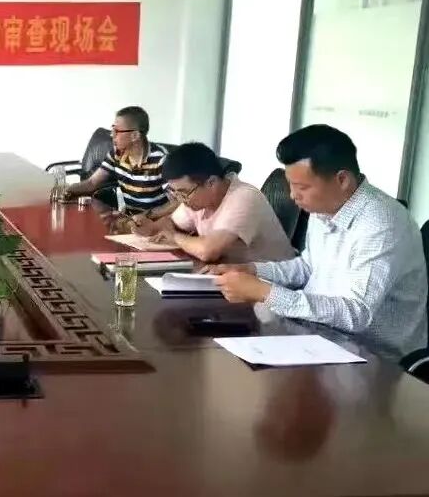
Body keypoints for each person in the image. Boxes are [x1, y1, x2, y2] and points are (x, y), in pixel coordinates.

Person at [208, 125, 428, 358]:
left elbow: (357, 313)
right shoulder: (324, 207)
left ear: (342, 180)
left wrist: (266, 292)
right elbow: (308, 268)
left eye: (302, 187)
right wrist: (252, 270)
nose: (293, 196)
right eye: (291, 185)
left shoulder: (382, 223)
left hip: (373, 359)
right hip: (317, 338)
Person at [133, 142, 295, 263]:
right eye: (174, 192)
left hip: (271, 283)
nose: (180, 199)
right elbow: (171, 223)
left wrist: (174, 236)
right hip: (233, 275)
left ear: (211, 182)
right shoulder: (196, 198)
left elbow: (207, 251)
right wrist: (151, 227)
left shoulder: (244, 197)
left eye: (183, 193)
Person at [63, 106, 177, 228]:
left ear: (135, 135)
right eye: (112, 129)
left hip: (155, 225)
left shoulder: (162, 159)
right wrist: (66, 190)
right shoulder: (116, 154)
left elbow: (177, 202)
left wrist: (148, 216)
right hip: (129, 222)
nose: (112, 134)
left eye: (117, 131)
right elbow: (92, 183)